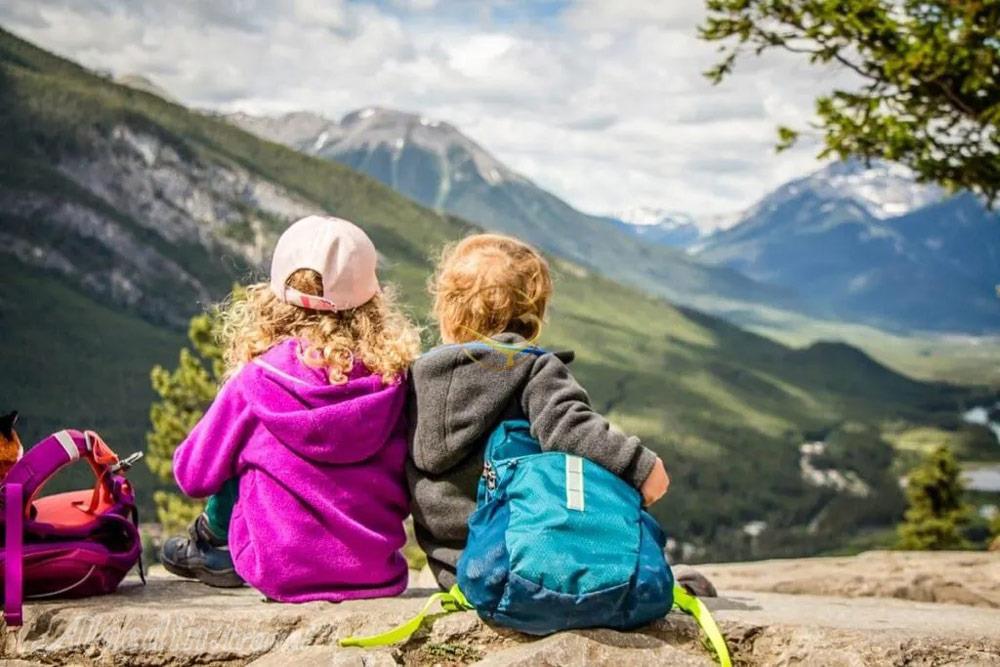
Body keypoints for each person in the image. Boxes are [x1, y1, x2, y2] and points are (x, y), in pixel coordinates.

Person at [161, 215, 421, 603]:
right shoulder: (394, 382)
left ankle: (213, 548)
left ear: (275, 297)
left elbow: (192, 475)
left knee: (243, 443)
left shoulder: (257, 379)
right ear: (371, 301)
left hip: (279, 573)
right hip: (377, 571)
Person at [406, 233, 671, 589]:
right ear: (532, 316)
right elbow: (571, 429)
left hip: (455, 570)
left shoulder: (413, 379)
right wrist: (641, 467)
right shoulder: (533, 370)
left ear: (446, 310)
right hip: (523, 561)